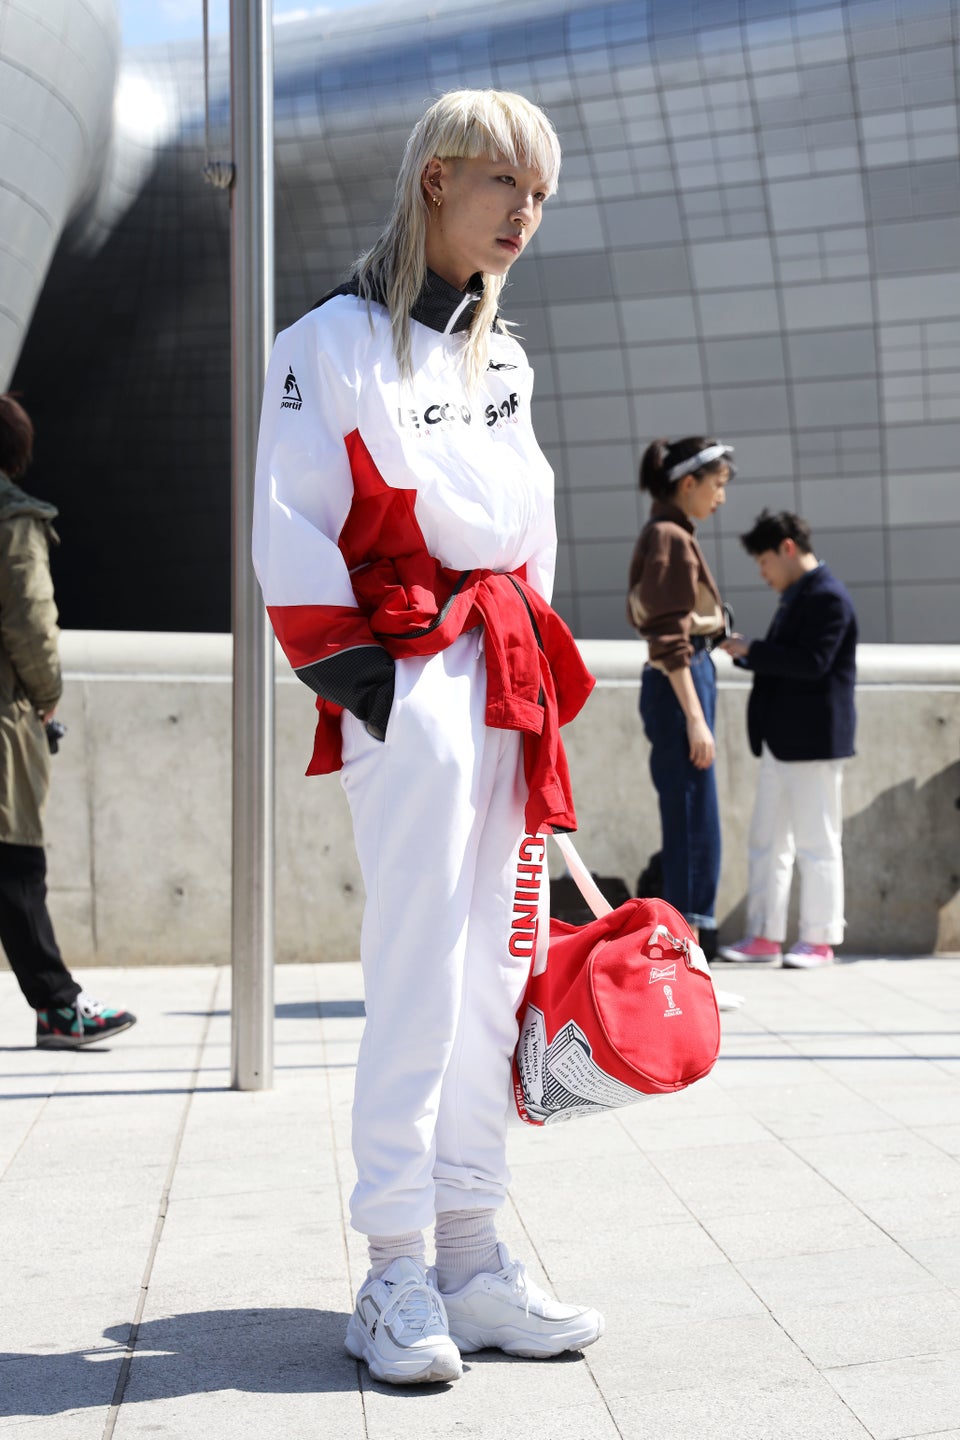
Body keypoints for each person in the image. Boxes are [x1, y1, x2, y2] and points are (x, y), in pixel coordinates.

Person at [253, 90, 603, 1386]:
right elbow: (288, 529)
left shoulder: (503, 359)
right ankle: (393, 1268)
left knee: (500, 971)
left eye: (544, 195)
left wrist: (524, 677)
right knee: (413, 968)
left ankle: (472, 1253)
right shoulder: (327, 344)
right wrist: (385, 699)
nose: (527, 213)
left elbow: (532, 534)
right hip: (411, 678)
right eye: (507, 184)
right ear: (436, 181)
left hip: (506, 675)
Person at [0, 394, 136, 1047]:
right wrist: (47, 695)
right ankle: (58, 1007)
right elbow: (31, 625)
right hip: (2, 720)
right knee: (15, 867)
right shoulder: (12, 520)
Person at [718, 509, 857, 968]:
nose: (763, 573)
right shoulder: (801, 595)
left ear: (787, 548)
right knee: (768, 841)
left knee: (817, 842)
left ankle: (819, 939)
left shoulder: (827, 597)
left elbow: (812, 662)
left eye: (764, 562)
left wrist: (753, 650)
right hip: (783, 742)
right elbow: (792, 660)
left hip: (813, 743)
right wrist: (749, 653)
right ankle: (764, 935)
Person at [625, 437, 734, 942]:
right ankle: (689, 942)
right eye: (717, 485)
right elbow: (667, 637)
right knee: (691, 813)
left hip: (685, 677)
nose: (721, 497)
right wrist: (695, 717)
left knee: (694, 810)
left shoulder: (671, 532)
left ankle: (691, 938)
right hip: (680, 682)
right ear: (688, 483)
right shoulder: (669, 535)